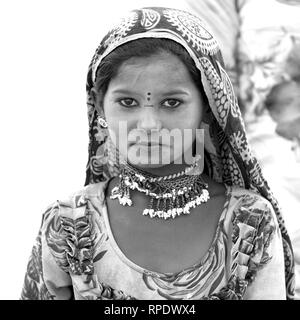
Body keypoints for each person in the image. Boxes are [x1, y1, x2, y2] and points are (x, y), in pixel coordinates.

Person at [20, 7, 295, 300]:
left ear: (207, 107)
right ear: (100, 107)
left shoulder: (249, 223)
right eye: (127, 102)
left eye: (172, 103)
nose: (149, 124)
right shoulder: (69, 225)